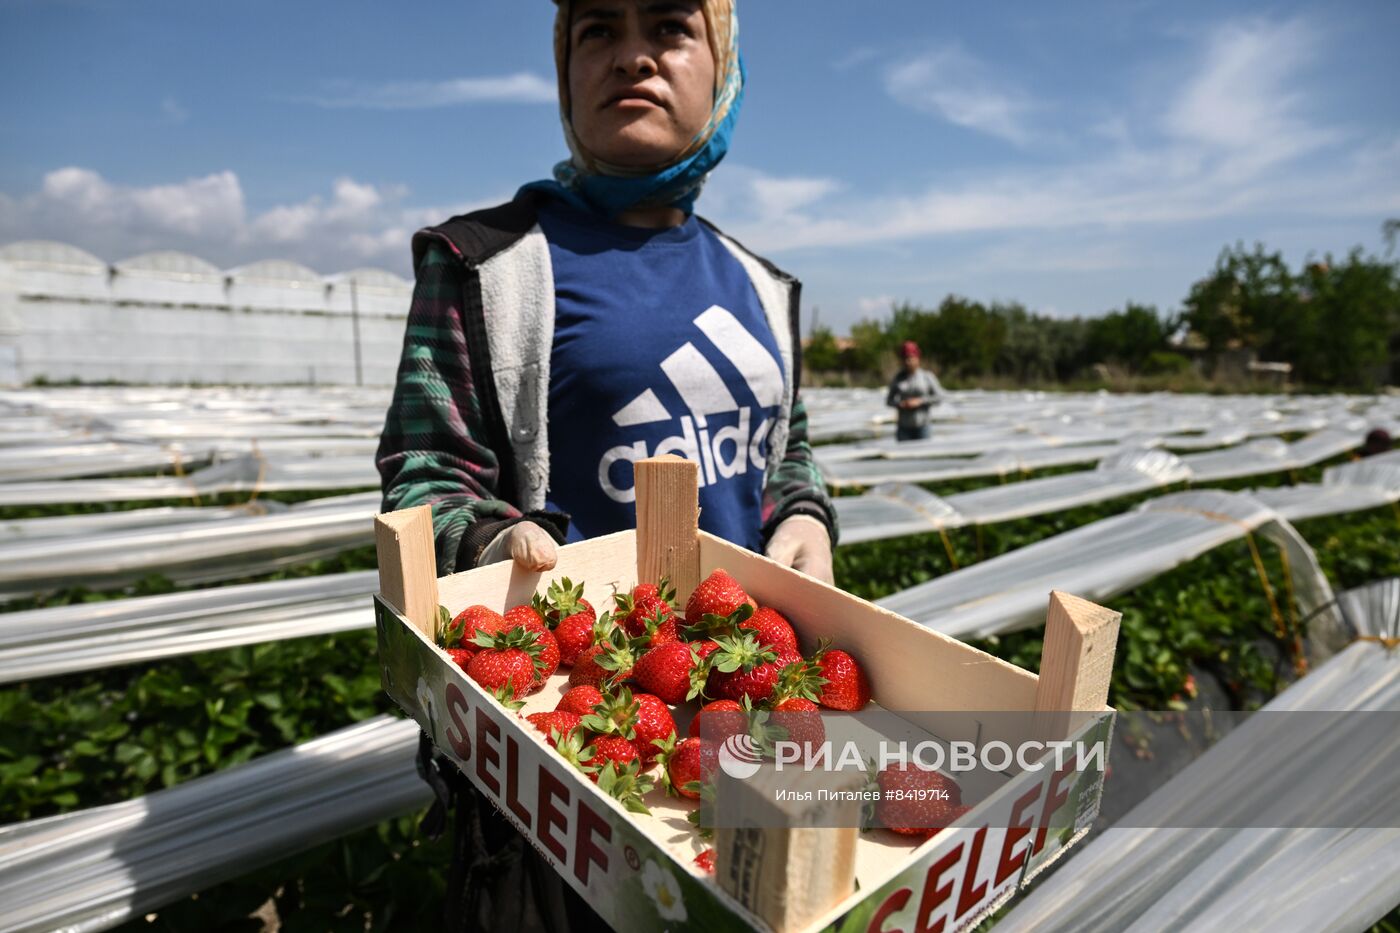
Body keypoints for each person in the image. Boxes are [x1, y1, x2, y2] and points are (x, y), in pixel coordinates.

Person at [373, 1, 837, 928]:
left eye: (669, 26)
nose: (631, 57)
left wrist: (805, 516)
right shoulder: (486, 262)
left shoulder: (762, 284)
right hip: (573, 742)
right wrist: (491, 538)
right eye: (597, 30)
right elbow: (426, 472)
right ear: (563, 70)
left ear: (724, 65)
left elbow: (790, 447)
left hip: (738, 701)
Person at [886, 340, 944, 441]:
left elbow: (939, 397)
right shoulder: (898, 378)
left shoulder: (927, 377)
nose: (908, 362)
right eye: (905, 359)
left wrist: (920, 401)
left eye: (910, 358)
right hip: (904, 429)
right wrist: (900, 404)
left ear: (917, 359)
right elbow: (889, 401)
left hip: (923, 427)